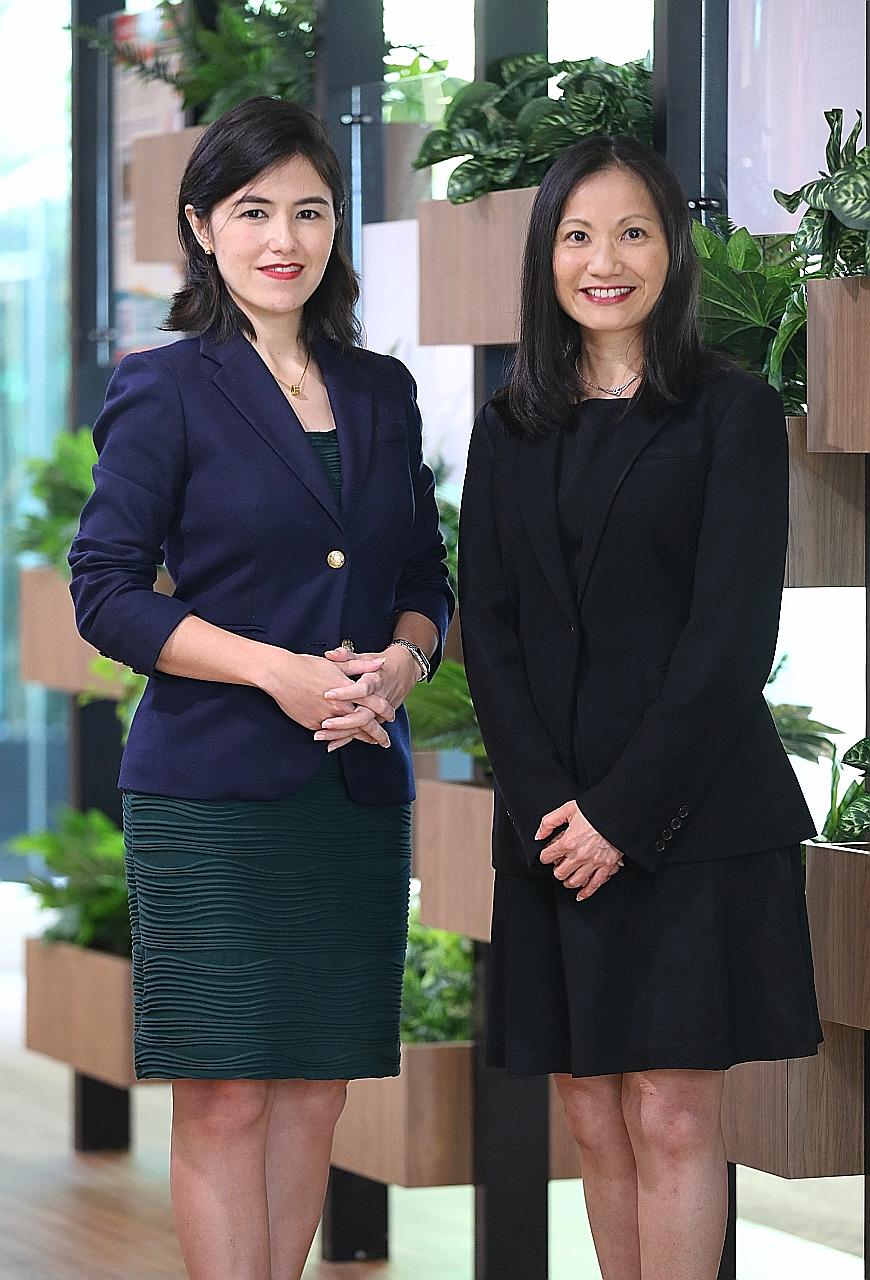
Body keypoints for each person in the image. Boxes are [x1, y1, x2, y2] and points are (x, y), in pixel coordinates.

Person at [68, 96, 453, 1280]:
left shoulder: (383, 389)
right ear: (202, 226)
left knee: (315, 1092)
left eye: (308, 210)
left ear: (336, 226)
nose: (282, 236)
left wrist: (401, 661)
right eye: (252, 210)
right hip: (214, 790)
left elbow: (425, 578)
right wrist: (271, 669)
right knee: (229, 1093)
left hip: (352, 790)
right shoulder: (166, 383)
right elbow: (107, 589)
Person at [458, 134, 821, 1280]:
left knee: (670, 1115)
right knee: (593, 1115)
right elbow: (494, 631)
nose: (603, 260)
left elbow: (730, 641)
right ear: (545, 256)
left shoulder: (732, 412)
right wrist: (549, 807)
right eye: (577, 235)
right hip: (555, 831)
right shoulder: (507, 423)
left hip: (691, 827)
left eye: (632, 232)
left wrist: (618, 814)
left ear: (671, 250)